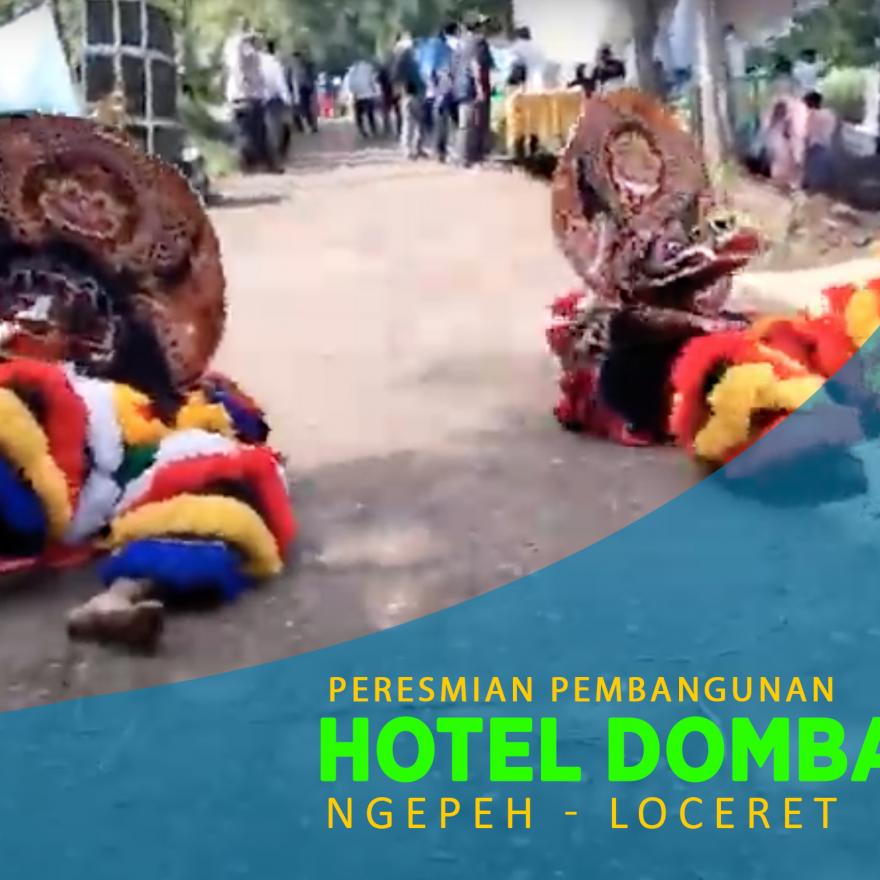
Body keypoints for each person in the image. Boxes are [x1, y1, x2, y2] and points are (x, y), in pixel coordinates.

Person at [0, 114, 296, 648]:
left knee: (220, 473)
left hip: (93, 427)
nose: (83, 207)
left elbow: (158, 394)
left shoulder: (133, 322)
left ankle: (121, 598)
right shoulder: (9, 253)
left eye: (95, 198)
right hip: (22, 425)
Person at [223, 22, 268, 172]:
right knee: (247, 132)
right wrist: (245, 84)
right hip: (245, 95)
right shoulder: (239, 48)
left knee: (251, 132)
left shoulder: (240, 49)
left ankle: (252, 163)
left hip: (248, 95)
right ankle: (248, 163)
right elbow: (239, 70)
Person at [455, 13, 495, 167]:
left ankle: (464, 157)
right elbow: (476, 65)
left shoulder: (461, 43)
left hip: (461, 87)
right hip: (474, 87)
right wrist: (480, 88)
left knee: (465, 124)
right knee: (475, 124)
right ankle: (472, 157)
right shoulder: (479, 42)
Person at [392, 32, 427, 159]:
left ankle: (414, 148)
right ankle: (411, 149)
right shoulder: (406, 59)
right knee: (411, 122)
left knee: (415, 122)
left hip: (415, 91)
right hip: (411, 92)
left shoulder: (406, 58)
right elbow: (397, 78)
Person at [260, 38, 292, 171]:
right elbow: (280, 83)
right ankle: (275, 160)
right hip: (272, 101)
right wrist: (287, 99)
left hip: (255, 99)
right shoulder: (274, 64)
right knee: (274, 132)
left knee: (261, 132)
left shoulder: (255, 62)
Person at [803, 90, 837, 193]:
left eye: (807, 102)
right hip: (825, 146)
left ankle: (806, 190)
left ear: (812, 102)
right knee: (818, 171)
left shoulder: (812, 114)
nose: (805, 105)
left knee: (808, 170)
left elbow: (807, 132)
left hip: (813, 145)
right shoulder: (830, 114)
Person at [344, 58, 379, 138]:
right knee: (370, 114)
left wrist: (352, 93)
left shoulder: (352, 70)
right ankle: (373, 129)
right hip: (368, 94)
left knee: (359, 115)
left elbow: (350, 84)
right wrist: (375, 91)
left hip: (357, 96)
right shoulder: (368, 68)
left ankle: (362, 130)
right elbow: (372, 81)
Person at [290, 48, 319, 133]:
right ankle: (309, 125)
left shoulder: (299, 66)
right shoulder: (303, 65)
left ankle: (308, 125)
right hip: (303, 89)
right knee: (305, 108)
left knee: (304, 109)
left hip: (302, 89)